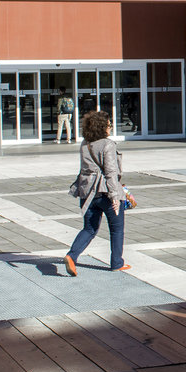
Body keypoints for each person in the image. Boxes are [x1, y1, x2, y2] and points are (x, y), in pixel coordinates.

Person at [63, 109, 133, 276]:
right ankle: (117, 262)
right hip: (106, 192)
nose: (110, 127)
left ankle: (71, 256)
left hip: (88, 192)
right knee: (116, 229)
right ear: (102, 126)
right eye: (109, 124)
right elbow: (110, 172)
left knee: (89, 228)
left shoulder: (85, 143)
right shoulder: (107, 144)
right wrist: (115, 197)